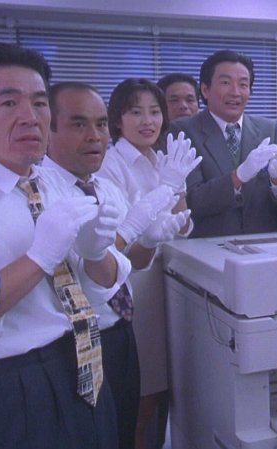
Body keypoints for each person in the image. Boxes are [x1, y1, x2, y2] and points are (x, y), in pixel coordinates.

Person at [0, 42, 130, 449]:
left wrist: (96, 253)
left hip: (85, 360)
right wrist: (38, 259)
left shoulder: (53, 182)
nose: (31, 117)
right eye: (9, 103)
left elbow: (108, 283)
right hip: (9, 378)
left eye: (39, 102)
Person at [44, 81, 190, 449]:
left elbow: (125, 265)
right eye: (79, 124)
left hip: (119, 325)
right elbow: (86, 274)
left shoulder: (101, 186)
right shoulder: (42, 189)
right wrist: (128, 232)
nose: (94, 136)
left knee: (124, 424)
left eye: (99, 124)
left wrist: (149, 239)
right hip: (74, 337)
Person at [98, 78, 200, 449]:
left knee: (166, 394)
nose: (148, 120)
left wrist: (178, 189)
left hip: (171, 280)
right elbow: (122, 240)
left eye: (154, 112)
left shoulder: (161, 158)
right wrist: (164, 197)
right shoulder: (111, 164)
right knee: (142, 396)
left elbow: (183, 226)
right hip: (135, 287)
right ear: (117, 119)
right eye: (136, 112)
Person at [169, 50, 277, 238]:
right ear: (205, 90)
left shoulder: (270, 129)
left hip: (263, 244)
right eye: (225, 83)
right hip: (208, 246)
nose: (235, 92)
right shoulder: (183, 131)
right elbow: (191, 202)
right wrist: (238, 177)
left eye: (243, 84)